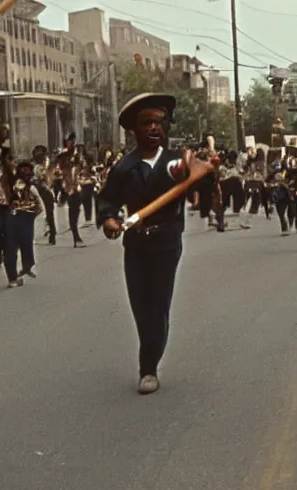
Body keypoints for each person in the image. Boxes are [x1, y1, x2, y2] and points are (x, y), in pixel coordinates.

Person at [97, 93, 212, 395]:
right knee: (140, 306)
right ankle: (149, 351)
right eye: (145, 123)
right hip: (135, 243)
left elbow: (196, 180)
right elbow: (107, 200)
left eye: (158, 122)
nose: (152, 128)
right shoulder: (124, 167)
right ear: (134, 130)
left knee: (158, 305)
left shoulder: (176, 162)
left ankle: (148, 368)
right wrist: (108, 219)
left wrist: (197, 172)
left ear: (166, 128)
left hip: (165, 241)